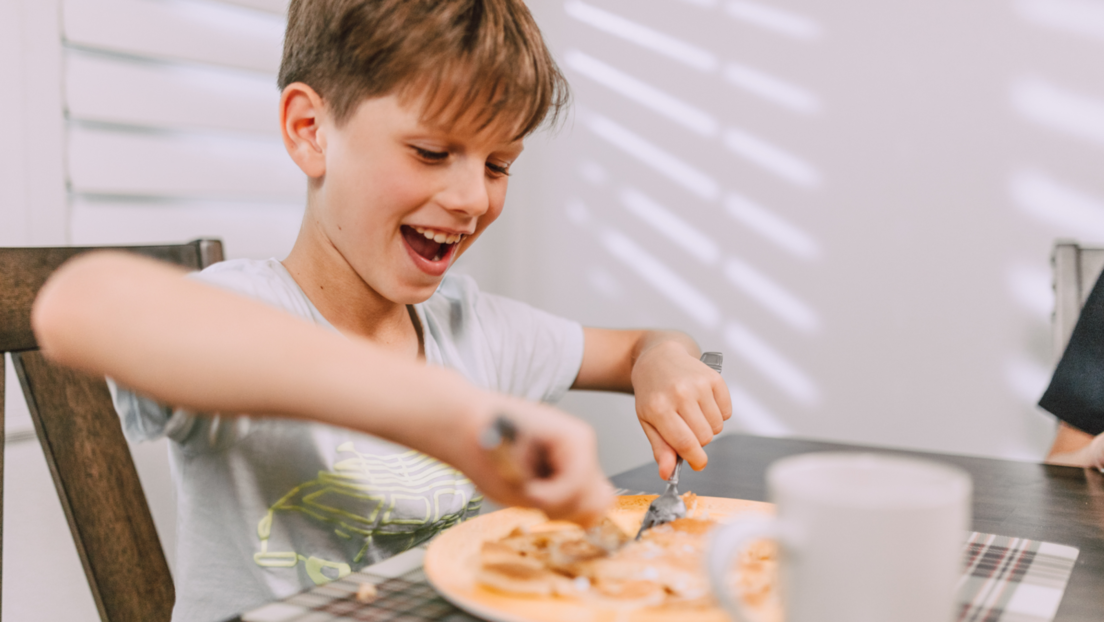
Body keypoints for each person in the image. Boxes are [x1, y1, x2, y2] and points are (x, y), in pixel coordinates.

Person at [30, 1, 733, 620]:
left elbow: (640, 345)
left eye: (497, 165)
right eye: (432, 152)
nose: (472, 199)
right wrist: (456, 420)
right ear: (310, 130)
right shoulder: (245, 311)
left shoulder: (473, 329)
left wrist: (666, 360)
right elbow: (79, 303)